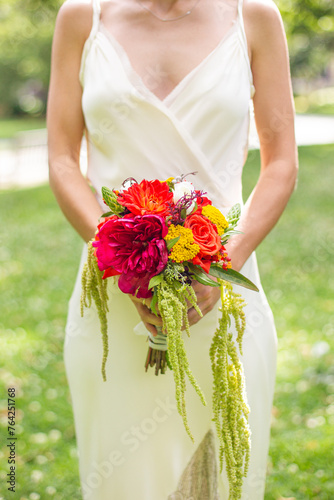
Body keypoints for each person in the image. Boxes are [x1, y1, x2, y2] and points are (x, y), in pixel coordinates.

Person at [47, 0, 298, 498]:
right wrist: (122, 261)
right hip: (112, 292)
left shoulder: (256, 17)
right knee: (121, 473)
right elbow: (60, 157)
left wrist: (221, 266)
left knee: (220, 472)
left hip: (223, 288)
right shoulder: (82, 17)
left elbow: (281, 162)